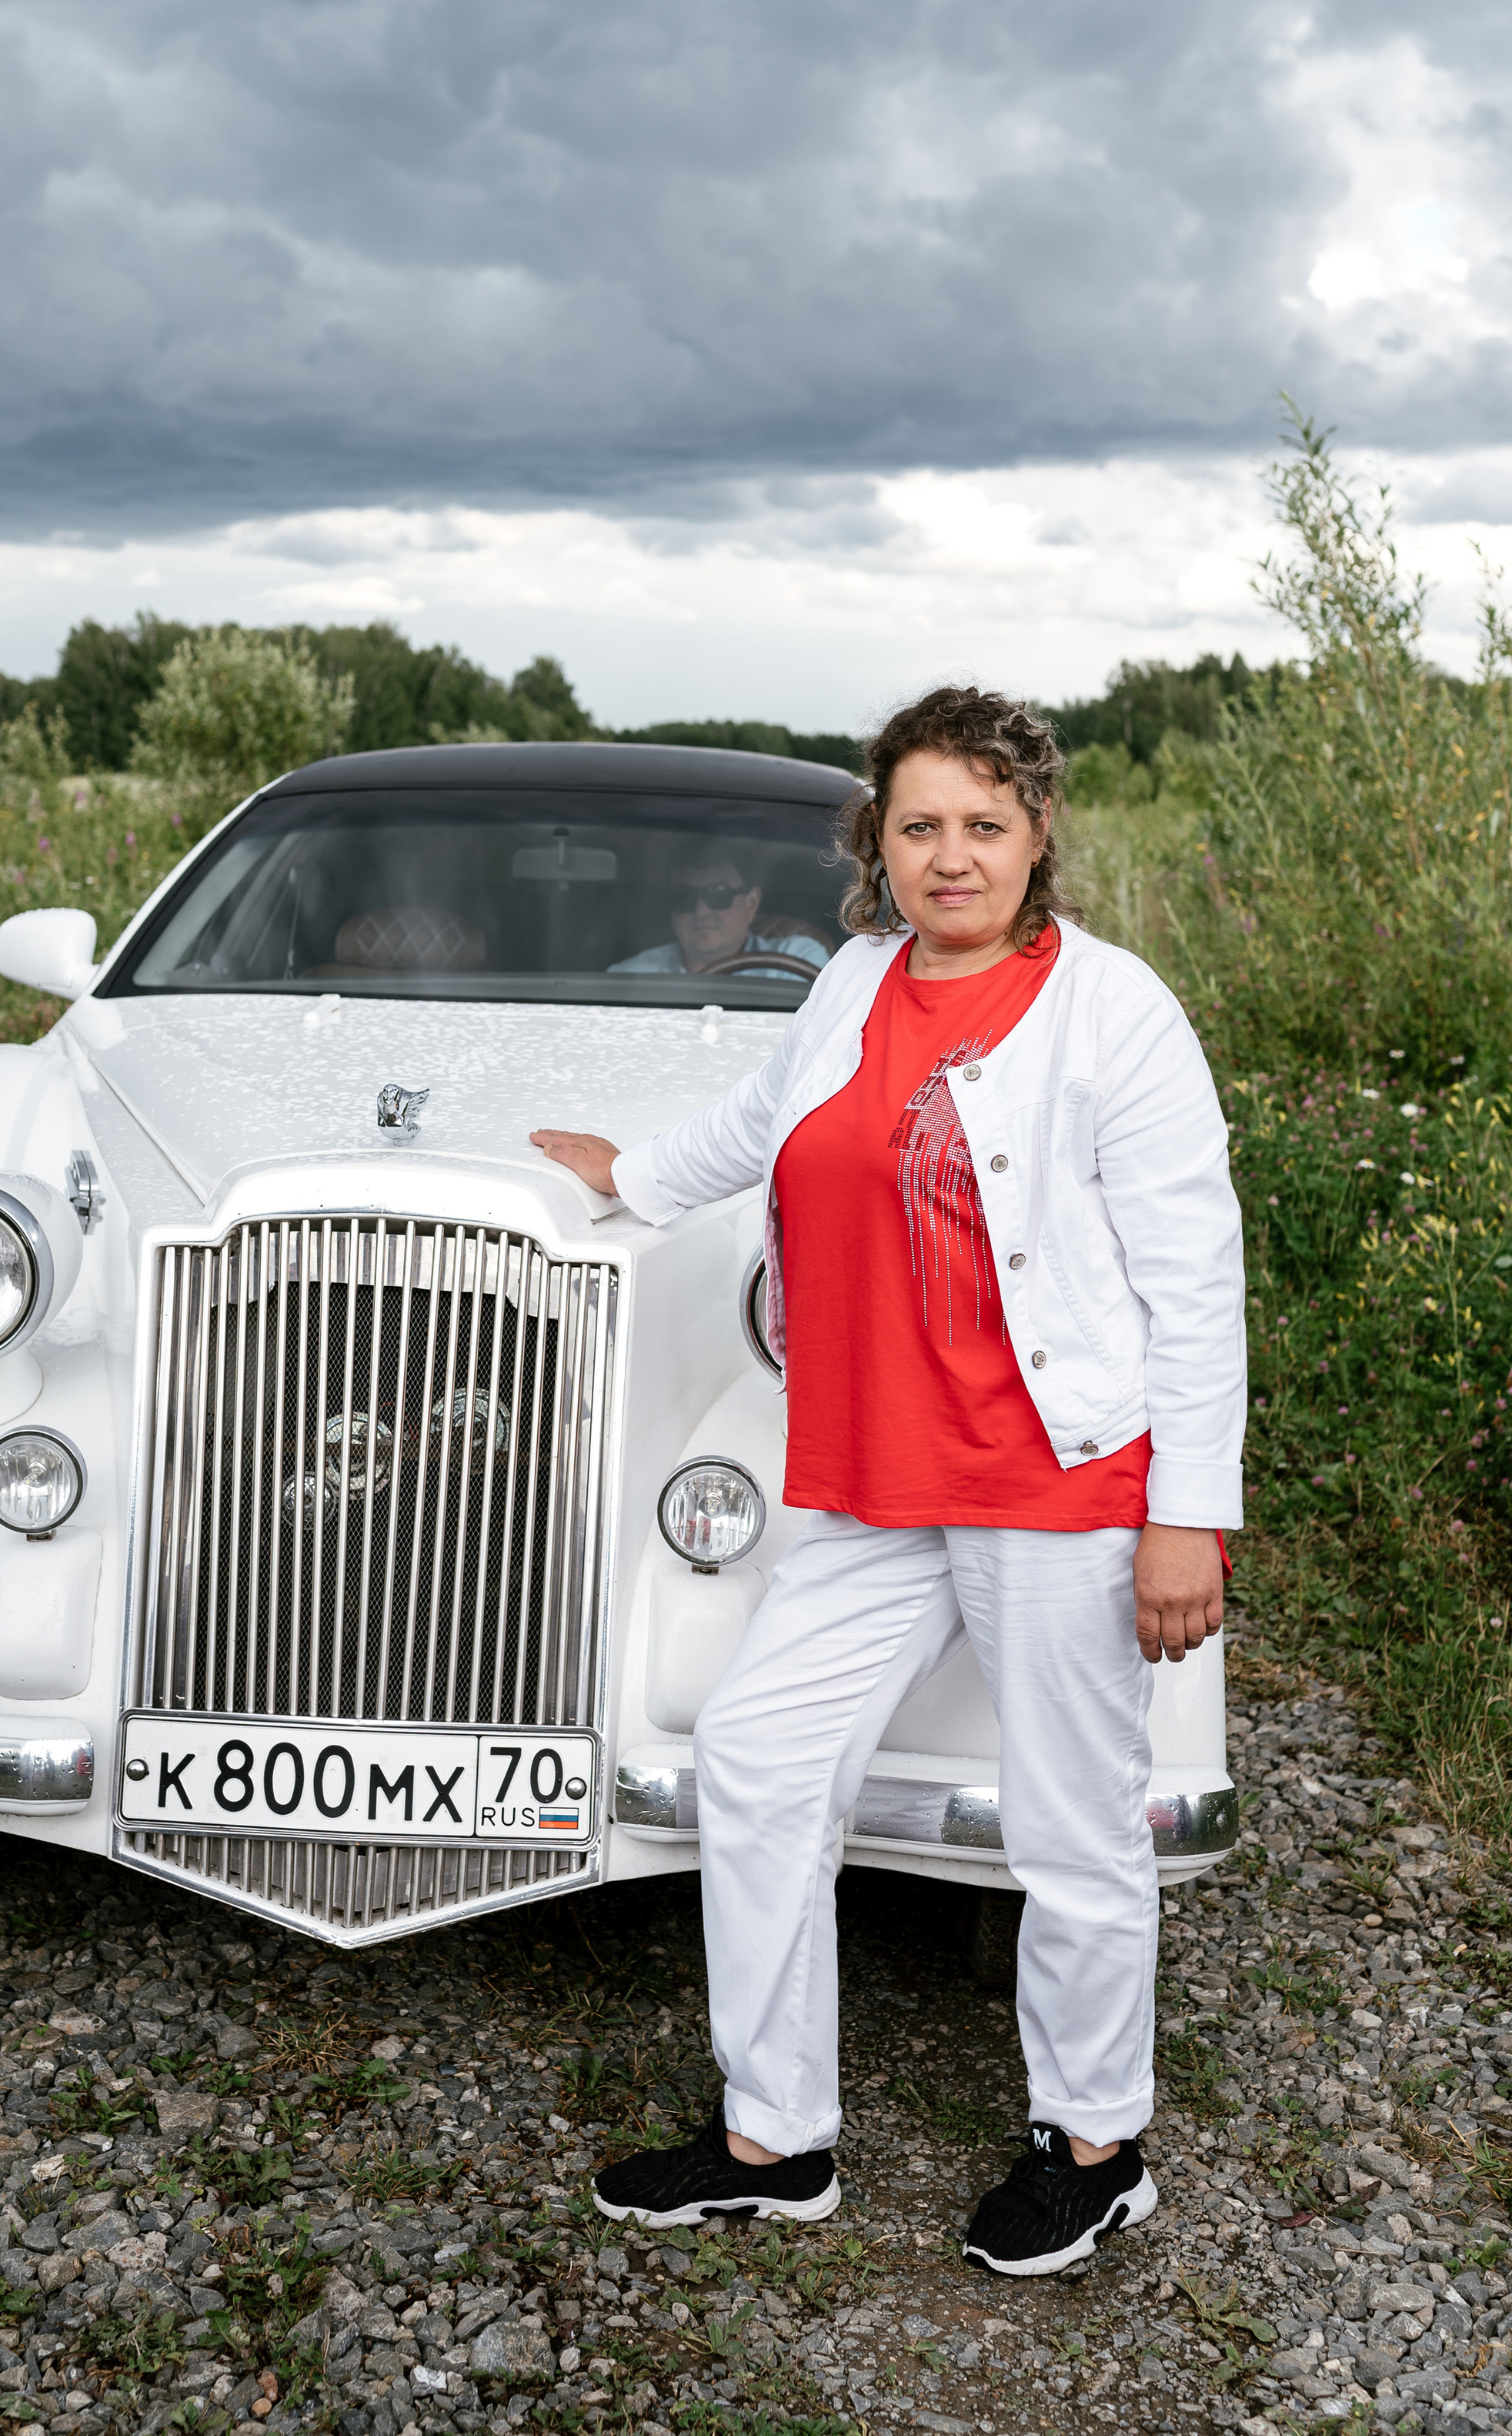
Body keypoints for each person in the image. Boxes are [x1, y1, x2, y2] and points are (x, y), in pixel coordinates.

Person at [530, 685, 1243, 2274]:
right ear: (878, 841)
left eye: (982, 824)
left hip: (1047, 1480)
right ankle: (771, 2139)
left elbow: (1193, 1275)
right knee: (762, 1760)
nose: (949, 855)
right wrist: (626, 1179)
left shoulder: (1109, 1011)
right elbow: (762, 1119)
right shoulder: (854, 977)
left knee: (1069, 1830)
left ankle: (1096, 2141)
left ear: (1036, 833)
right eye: (917, 825)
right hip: (866, 1480)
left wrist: (1185, 1510)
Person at [608, 846, 828, 980]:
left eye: (718, 895)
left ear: (752, 903)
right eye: (684, 897)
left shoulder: (796, 961)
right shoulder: (631, 977)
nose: (700, 911)